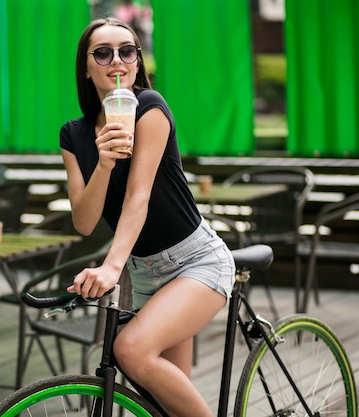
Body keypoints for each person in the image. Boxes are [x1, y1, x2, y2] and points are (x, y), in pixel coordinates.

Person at [60, 17, 235, 417]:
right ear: (86, 68)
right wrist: (103, 164)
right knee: (168, 406)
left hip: (195, 260)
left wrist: (110, 267)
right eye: (102, 53)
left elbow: (138, 197)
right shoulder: (73, 136)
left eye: (127, 51)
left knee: (130, 349)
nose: (116, 60)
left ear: (138, 63)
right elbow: (84, 221)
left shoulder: (150, 108)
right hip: (144, 274)